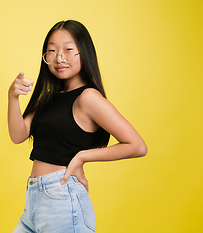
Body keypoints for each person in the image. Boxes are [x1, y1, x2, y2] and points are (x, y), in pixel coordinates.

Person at [8, 20, 147, 233]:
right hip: (33, 202)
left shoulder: (88, 98)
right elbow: (18, 135)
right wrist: (13, 96)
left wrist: (83, 156)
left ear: (84, 52)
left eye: (68, 50)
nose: (59, 58)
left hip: (62, 199)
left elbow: (137, 146)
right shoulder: (47, 98)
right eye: (52, 51)